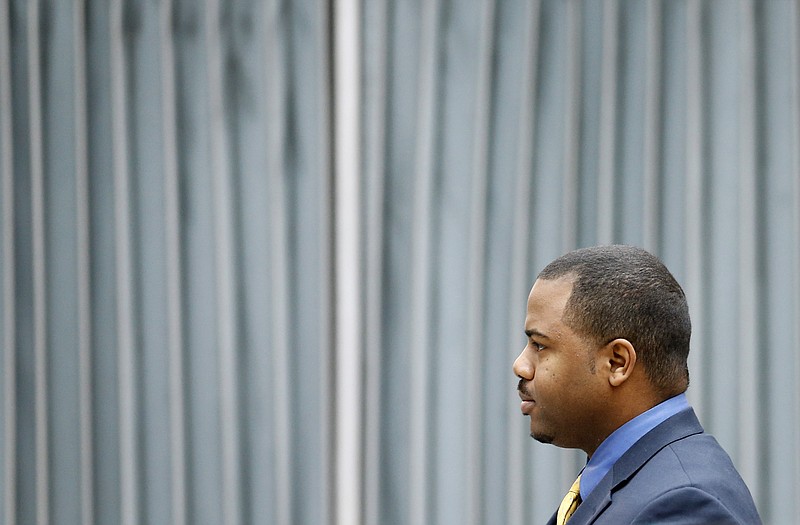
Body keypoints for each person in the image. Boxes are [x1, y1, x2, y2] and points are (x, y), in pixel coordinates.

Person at [513, 245, 761, 524]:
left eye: (539, 345)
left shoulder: (683, 505)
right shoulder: (629, 477)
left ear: (617, 363)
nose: (520, 365)